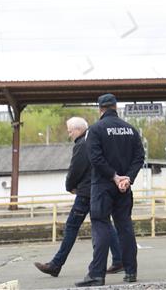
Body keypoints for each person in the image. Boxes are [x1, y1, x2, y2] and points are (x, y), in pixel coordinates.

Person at [35, 117, 124, 277]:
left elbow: (75, 169)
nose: (69, 135)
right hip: (97, 191)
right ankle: (119, 260)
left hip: (85, 193)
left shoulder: (82, 144)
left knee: (71, 227)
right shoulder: (94, 140)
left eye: (70, 131)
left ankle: (56, 265)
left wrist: (69, 186)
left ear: (78, 130)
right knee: (106, 224)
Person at [75, 94, 144, 287]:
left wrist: (114, 177)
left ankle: (97, 274)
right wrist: (127, 178)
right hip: (124, 188)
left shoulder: (95, 129)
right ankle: (131, 272)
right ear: (116, 107)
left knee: (101, 225)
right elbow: (139, 157)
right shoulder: (131, 130)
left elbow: (95, 159)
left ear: (100, 109)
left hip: (103, 186)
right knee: (125, 226)